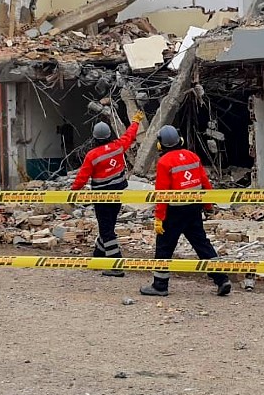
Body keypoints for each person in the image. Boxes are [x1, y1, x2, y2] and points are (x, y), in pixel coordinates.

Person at [140, 125, 231, 297]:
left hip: (174, 212)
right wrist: (208, 205)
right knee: (202, 244)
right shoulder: (192, 156)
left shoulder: (164, 162)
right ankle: (222, 279)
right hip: (194, 209)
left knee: (164, 247)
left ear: (160, 145)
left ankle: (160, 285)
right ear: (179, 140)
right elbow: (205, 183)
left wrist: (159, 217)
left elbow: (162, 193)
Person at [71, 112, 145, 277]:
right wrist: (135, 122)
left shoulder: (92, 155)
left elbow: (82, 177)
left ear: (95, 138)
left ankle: (115, 265)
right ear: (109, 135)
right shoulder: (118, 146)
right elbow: (130, 135)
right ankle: (98, 257)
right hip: (118, 193)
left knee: (106, 230)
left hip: (101, 197)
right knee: (108, 226)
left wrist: (72, 193)